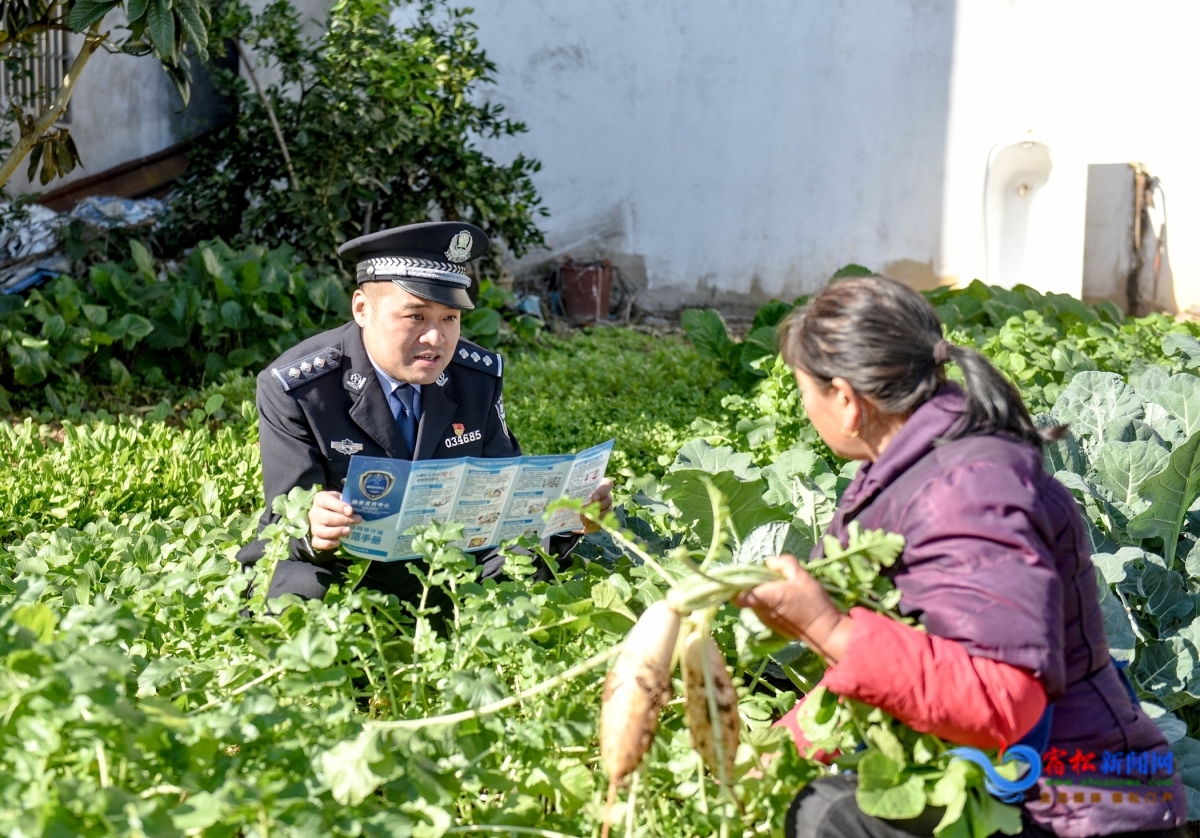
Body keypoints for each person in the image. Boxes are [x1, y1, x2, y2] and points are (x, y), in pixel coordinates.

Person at [735, 277, 1185, 838]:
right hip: (1020, 776)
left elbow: (1005, 701)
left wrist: (824, 627)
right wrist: (777, 753)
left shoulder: (965, 489)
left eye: (806, 391)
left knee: (829, 816)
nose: (805, 408)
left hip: (1083, 799)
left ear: (847, 401)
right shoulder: (918, 465)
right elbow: (905, 651)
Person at [236, 221, 613, 602]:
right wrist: (313, 528)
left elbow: (506, 497)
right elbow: (285, 517)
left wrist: (569, 518)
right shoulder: (298, 387)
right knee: (295, 593)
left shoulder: (476, 377)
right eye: (416, 316)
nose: (436, 338)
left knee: (528, 564)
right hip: (345, 564)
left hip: (448, 559)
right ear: (362, 308)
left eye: (450, 318)